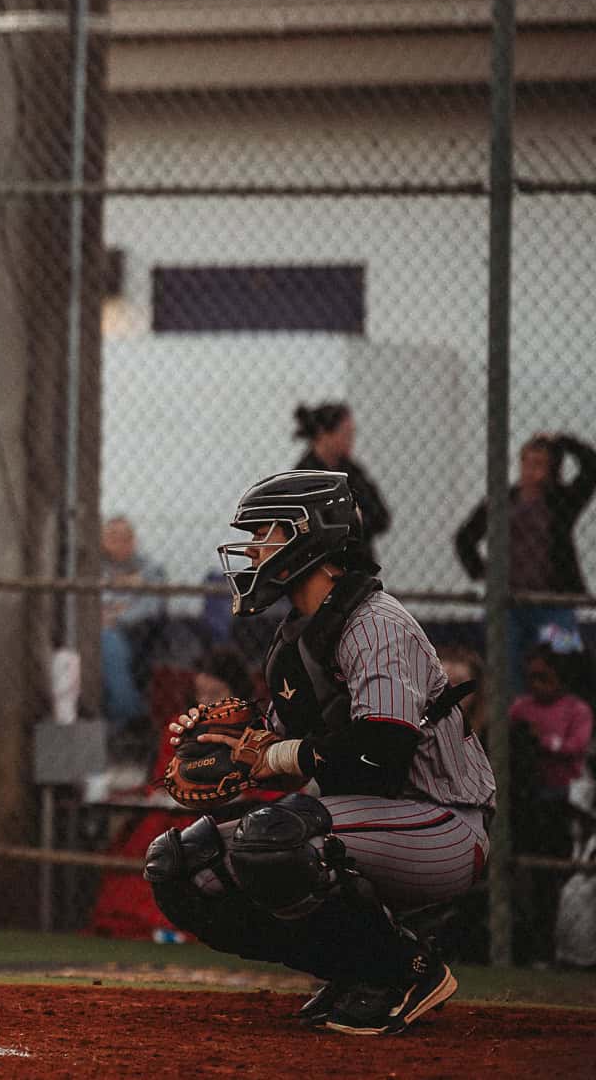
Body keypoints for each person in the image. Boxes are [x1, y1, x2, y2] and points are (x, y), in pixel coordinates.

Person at [147, 470, 495, 1036]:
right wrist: (234, 750)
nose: (254, 549)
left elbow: (379, 756)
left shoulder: (376, 624)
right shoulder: (296, 638)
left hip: (443, 822)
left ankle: (402, 970)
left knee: (272, 840)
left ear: (309, 537)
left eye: (265, 533)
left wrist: (274, 758)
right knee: (183, 868)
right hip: (368, 819)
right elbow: (291, 752)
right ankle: (353, 967)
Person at [455, 432, 596, 669]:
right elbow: (465, 538)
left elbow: (591, 468)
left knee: (564, 665)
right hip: (510, 605)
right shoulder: (502, 501)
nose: (531, 471)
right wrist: (482, 572)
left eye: (539, 464)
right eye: (527, 463)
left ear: (552, 469)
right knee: (508, 670)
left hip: (554, 606)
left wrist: (563, 441)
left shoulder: (560, 501)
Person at [508, 645, 593, 963]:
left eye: (543, 677)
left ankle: (557, 950)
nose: (536, 684)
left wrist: (540, 741)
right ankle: (526, 948)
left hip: (563, 800)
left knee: (556, 878)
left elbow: (575, 746)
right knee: (524, 877)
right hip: (528, 799)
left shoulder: (576, 709)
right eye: (530, 677)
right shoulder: (521, 707)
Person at [294, 402, 391, 563]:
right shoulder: (304, 475)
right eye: (345, 434)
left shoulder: (353, 472)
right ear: (323, 434)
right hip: (320, 564)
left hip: (358, 563)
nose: (351, 440)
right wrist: (353, 519)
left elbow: (380, 517)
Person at [100, 515, 168, 731]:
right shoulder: (95, 568)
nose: (120, 543)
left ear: (134, 540)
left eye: (126, 537)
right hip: (100, 632)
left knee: (109, 641)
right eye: (112, 537)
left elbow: (152, 607)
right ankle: (129, 716)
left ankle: (127, 716)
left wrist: (116, 615)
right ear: (102, 540)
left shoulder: (150, 569)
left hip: (138, 634)